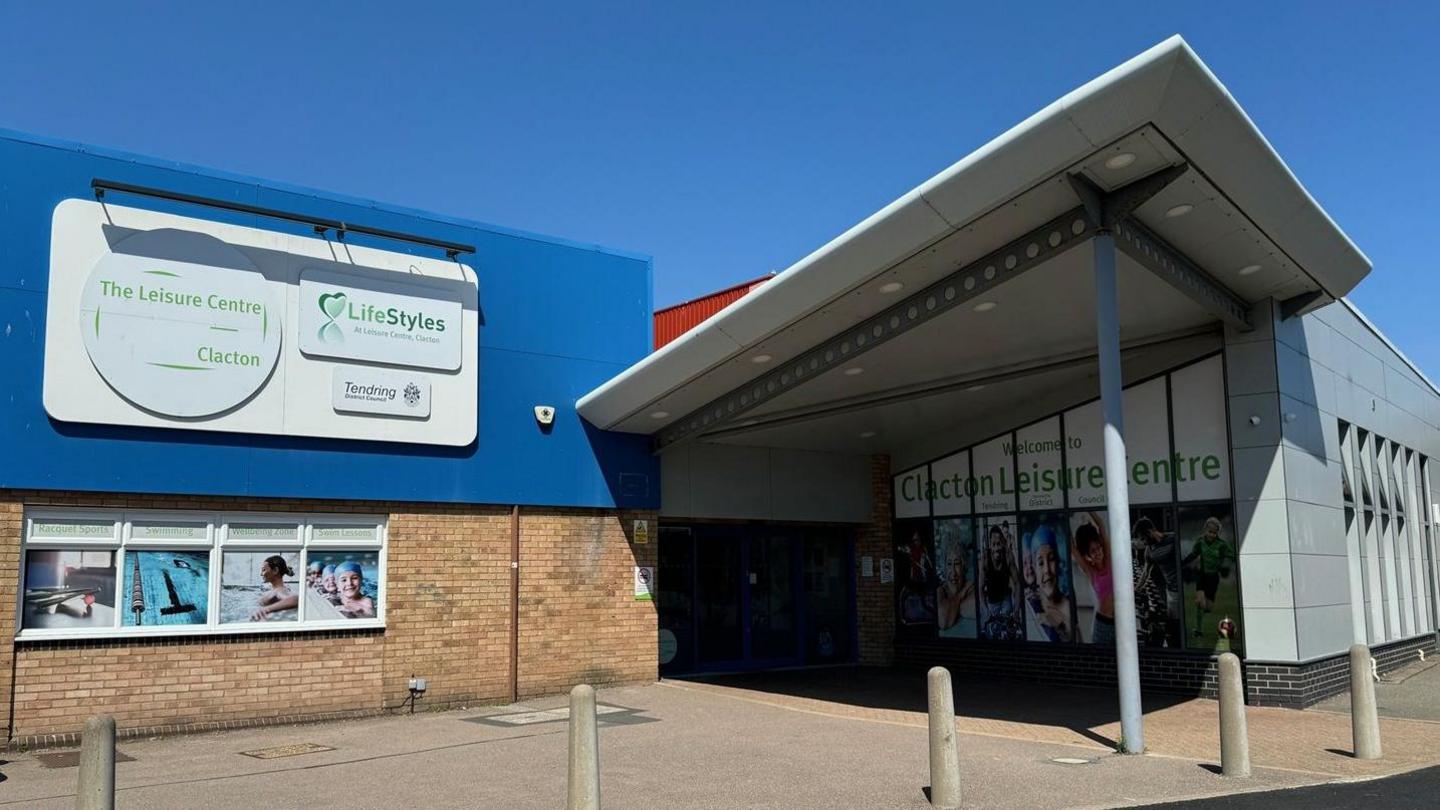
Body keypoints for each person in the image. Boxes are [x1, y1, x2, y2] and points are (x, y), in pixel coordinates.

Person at [1181, 516, 1237, 638]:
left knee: (1208, 607)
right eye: (1210, 532)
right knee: (1199, 601)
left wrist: (1225, 566)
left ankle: (1205, 609)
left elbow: (1232, 556)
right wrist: (1182, 563)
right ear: (1205, 530)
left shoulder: (1222, 545)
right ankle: (1199, 630)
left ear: (1218, 533)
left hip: (1213, 578)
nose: (1212, 535)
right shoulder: (1200, 542)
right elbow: (1193, 554)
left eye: (1214, 533)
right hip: (1201, 574)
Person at [1022, 524, 1073, 642]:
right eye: (1040, 563)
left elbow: (1079, 650)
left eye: (1051, 559)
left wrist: (1060, 625)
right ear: (1034, 568)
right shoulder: (1030, 605)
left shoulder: (1067, 606)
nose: (1047, 570)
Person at [1071, 512, 1115, 644]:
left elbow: (1101, 524)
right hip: (1103, 624)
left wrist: (1088, 508)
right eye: (1093, 551)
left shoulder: (1108, 559)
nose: (1098, 552)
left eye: (1098, 548)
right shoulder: (1090, 571)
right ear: (1087, 555)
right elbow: (1073, 548)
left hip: (1119, 622)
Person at [980, 521, 1022, 640]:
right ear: (990, 545)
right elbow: (980, 588)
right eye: (994, 544)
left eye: (998, 544)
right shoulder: (984, 559)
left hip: (1006, 599)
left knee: (1007, 632)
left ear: (1002, 543)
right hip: (992, 601)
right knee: (992, 632)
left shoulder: (1008, 557)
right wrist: (985, 610)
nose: (997, 548)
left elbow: (1018, 583)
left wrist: (1017, 610)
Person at [935, 535, 974, 632]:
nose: (953, 571)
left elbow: (976, 608)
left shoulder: (970, 586)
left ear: (964, 566)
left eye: (957, 563)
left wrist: (951, 608)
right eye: (949, 564)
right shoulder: (941, 590)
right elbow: (943, 622)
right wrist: (960, 596)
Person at [249, 554, 298, 621]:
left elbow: (296, 599)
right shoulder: (277, 589)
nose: (261, 574)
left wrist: (267, 609)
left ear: (275, 570)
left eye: (263, 570)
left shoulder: (279, 590)